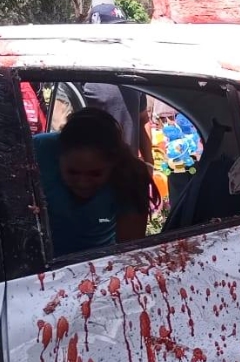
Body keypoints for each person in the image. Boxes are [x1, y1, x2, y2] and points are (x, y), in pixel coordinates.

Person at [33, 107, 156, 256]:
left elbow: (130, 251)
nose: (83, 183)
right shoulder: (37, 151)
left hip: (100, 263)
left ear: (113, 165)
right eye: (72, 172)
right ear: (58, 158)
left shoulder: (131, 176)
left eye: (95, 174)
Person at [81, 4, 153, 162]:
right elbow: (62, 127)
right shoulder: (80, 75)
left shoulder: (132, 74)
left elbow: (142, 120)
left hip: (127, 176)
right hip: (92, 177)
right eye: (113, 32)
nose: (120, 38)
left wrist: (148, 164)